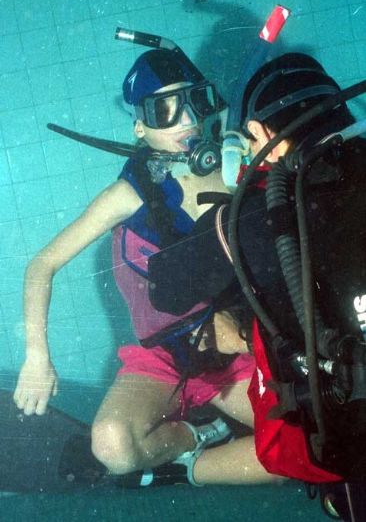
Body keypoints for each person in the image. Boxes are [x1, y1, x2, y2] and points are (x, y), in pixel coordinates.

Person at [14, 47, 278, 487]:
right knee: (114, 446)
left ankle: (193, 468)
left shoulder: (242, 172)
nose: (187, 120)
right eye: (164, 110)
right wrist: (37, 358)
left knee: (302, 449)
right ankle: (194, 436)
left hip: (236, 357)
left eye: (197, 101)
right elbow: (42, 264)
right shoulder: (128, 195)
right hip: (164, 356)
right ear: (140, 127)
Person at [148, 52, 366, 497]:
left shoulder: (253, 218)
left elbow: (163, 288)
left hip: (345, 443)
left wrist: (217, 213)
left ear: (266, 136)